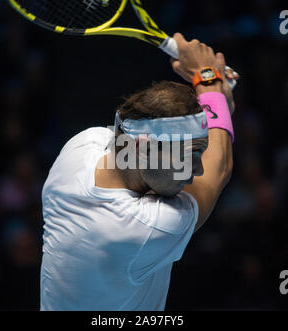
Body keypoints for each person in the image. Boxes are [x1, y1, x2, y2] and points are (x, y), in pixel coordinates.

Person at [40, 33, 238, 311]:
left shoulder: (82, 146)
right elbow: (220, 167)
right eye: (191, 157)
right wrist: (207, 78)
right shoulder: (146, 226)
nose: (199, 167)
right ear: (143, 149)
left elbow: (138, 128)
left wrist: (212, 94)